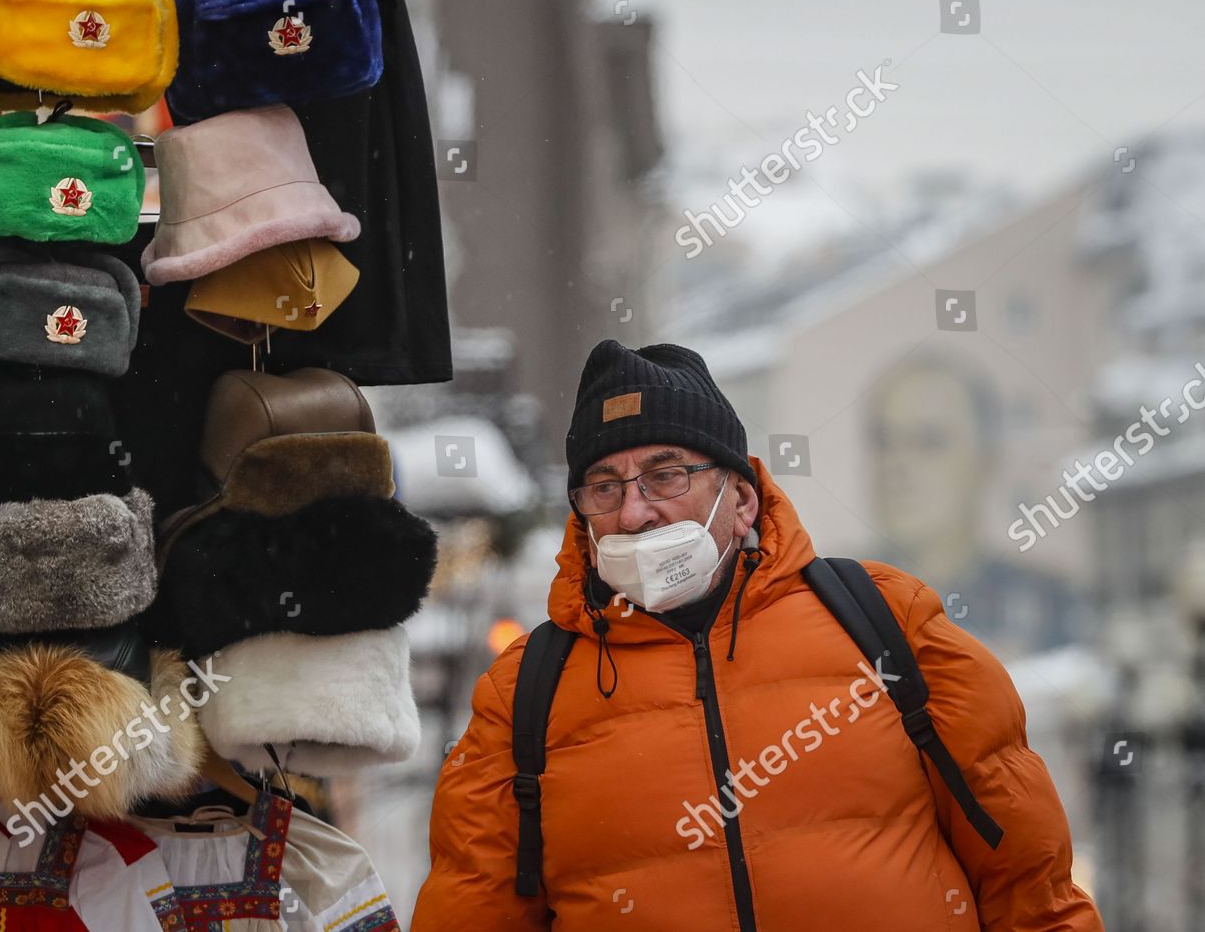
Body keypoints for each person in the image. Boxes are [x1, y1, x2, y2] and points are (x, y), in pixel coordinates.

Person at [412, 340, 1102, 931]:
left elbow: (1033, 893)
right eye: (603, 485)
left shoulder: (886, 622)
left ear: (741, 498)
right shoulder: (525, 695)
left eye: (666, 473)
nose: (634, 510)